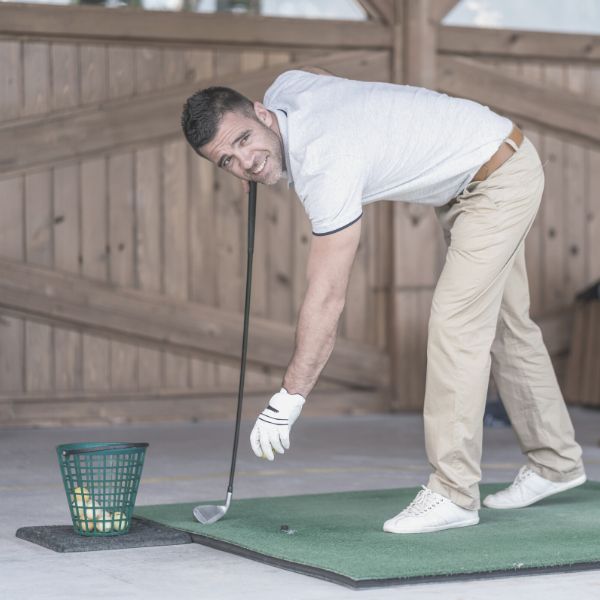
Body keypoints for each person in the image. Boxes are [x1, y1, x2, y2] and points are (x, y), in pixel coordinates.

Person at [180, 67, 586, 534]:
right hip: (477, 173)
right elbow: (314, 78)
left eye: (245, 139)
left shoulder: (325, 164)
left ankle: (453, 493)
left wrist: (288, 398)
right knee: (508, 326)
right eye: (227, 160)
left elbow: (328, 296)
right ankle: (556, 462)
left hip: (498, 179)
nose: (246, 162)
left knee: (455, 324)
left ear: (263, 114)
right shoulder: (285, 88)